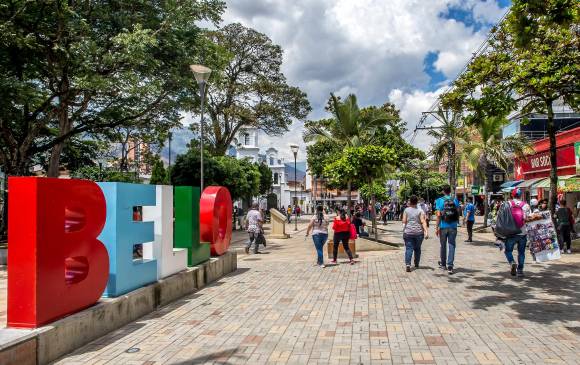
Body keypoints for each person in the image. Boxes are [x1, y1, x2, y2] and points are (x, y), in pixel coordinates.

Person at [435, 185, 461, 274]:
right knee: (452, 245)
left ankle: (443, 264)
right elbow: (458, 212)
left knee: (443, 245)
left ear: (443, 191)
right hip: (453, 226)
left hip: (443, 226)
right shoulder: (455, 199)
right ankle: (450, 265)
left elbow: (438, 215)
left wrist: (436, 227)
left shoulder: (439, 200)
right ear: (450, 191)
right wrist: (458, 222)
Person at [402, 195, 429, 272]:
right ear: (417, 202)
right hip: (419, 233)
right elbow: (423, 221)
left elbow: (404, 221)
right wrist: (426, 232)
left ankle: (408, 264)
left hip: (408, 232)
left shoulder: (406, 210)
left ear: (410, 201)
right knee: (417, 249)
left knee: (409, 248)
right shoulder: (420, 211)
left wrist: (403, 230)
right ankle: (416, 263)